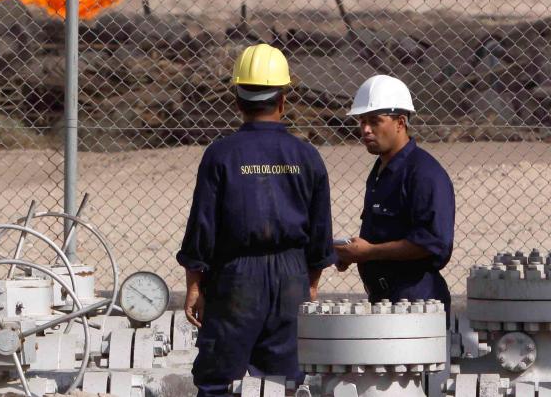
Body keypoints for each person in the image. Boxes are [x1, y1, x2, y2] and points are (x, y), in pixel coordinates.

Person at [177, 44, 335, 397]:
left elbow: (202, 228)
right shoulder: (307, 156)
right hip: (291, 275)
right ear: (283, 99)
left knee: (219, 377)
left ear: (238, 100)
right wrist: (309, 282)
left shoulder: (220, 155)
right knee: (284, 380)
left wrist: (195, 285)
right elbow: (320, 232)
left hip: (236, 277)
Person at [335, 75, 455, 310]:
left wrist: (369, 252)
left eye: (375, 121)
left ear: (400, 123)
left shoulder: (424, 174)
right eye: (362, 121)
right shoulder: (381, 170)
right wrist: (352, 253)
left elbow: (433, 242)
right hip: (386, 299)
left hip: (416, 302)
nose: (366, 130)